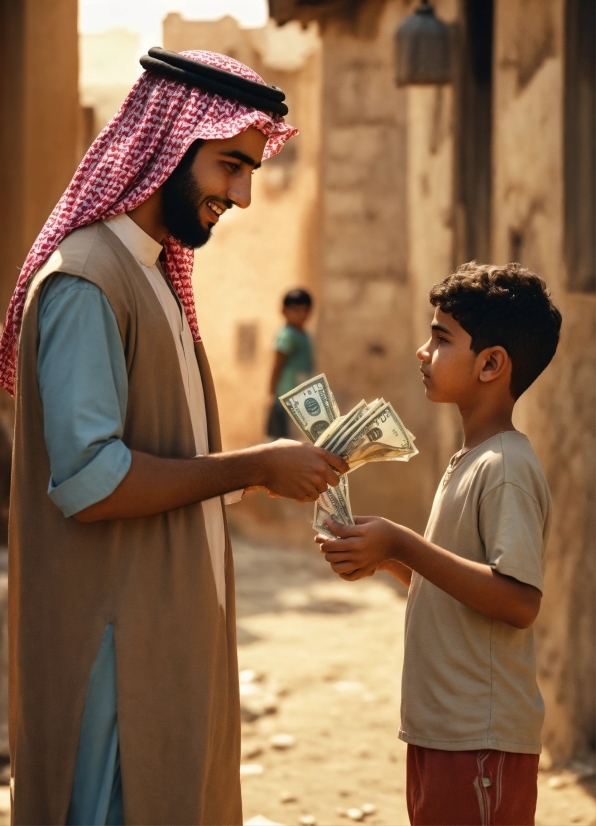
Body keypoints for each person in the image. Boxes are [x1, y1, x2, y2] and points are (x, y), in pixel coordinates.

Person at [3, 48, 348, 826]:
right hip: (111, 654)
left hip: (163, 638)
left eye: (252, 170)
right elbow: (91, 482)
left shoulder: (153, 275)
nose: (245, 194)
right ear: (167, 142)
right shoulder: (89, 281)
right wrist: (253, 466)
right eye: (230, 165)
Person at [317, 262, 562, 826]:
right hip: (442, 730)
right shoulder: (469, 461)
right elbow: (463, 588)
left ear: (491, 364)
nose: (422, 351)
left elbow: (518, 602)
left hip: (480, 737)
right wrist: (387, 558)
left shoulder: (505, 467)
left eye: (441, 337)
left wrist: (401, 541)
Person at [266, 288, 314, 439]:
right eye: (296, 310)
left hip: (301, 395)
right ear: (284, 311)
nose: (301, 314)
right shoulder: (286, 334)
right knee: (280, 436)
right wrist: (272, 392)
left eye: (305, 310)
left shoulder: (304, 334)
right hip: (285, 394)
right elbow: (277, 364)